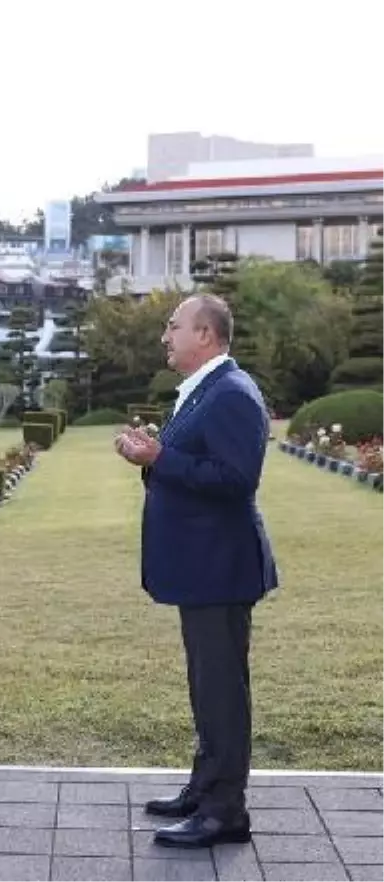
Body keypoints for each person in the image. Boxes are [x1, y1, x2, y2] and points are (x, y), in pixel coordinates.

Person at [114, 293, 277, 849]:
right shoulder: (204, 391)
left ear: (204, 335)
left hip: (220, 568)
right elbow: (194, 465)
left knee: (222, 692)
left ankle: (225, 811)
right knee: (208, 687)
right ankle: (205, 788)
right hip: (203, 566)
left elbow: (236, 479)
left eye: (173, 325)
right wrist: (153, 456)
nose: (165, 335)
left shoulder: (230, 393)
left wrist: (159, 458)